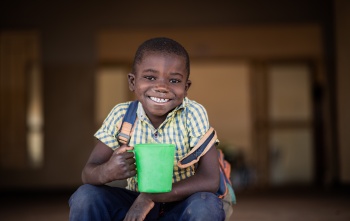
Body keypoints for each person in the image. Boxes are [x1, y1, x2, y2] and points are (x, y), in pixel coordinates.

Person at [69, 37, 225, 221]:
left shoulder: (193, 113)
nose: (161, 87)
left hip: (181, 205)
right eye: (150, 77)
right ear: (133, 82)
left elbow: (210, 179)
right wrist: (107, 171)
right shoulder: (122, 115)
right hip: (134, 207)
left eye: (174, 80)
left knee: (206, 204)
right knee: (86, 196)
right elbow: (88, 173)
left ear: (186, 87)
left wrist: (150, 197)